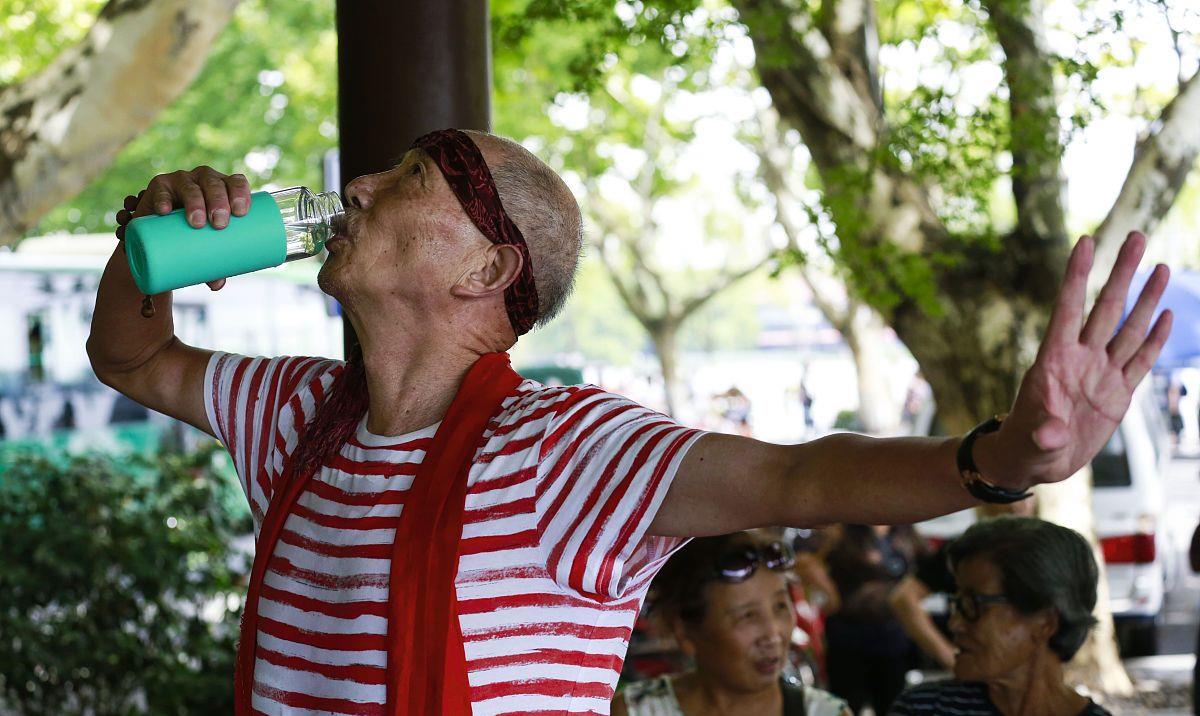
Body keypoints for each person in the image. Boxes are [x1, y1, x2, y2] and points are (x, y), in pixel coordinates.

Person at [89, 126, 1170, 714]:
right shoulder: (293, 412)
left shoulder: (566, 449)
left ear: (488, 266)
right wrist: (142, 233)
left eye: (412, 174)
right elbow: (128, 351)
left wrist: (1003, 455)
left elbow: (801, 479)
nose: (360, 183)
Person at [889, 517, 1112, 716]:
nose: (955, 623)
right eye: (957, 604)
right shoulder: (926, 709)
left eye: (973, 604)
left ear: (1046, 622)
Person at [614, 531, 850, 716]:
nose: (773, 633)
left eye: (780, 607)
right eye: (747, 616)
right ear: (684, 632)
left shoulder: (827, 713)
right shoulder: (635, 711)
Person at [888, 499, 1039, 673]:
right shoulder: (967, 550)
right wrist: (951, 658)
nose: (1016, 503)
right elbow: (903, 599)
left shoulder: (1048, 551)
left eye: (1026, 492)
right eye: (1009, 492)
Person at [822, 524, 925, 713]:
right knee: (844, 706)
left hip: (892, 639)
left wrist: (912, 601)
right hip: (848, 639)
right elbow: (808, 562)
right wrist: (829, 592)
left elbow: (929, 570)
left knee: (891, 706)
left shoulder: (905, 530)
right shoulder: (843, 531)